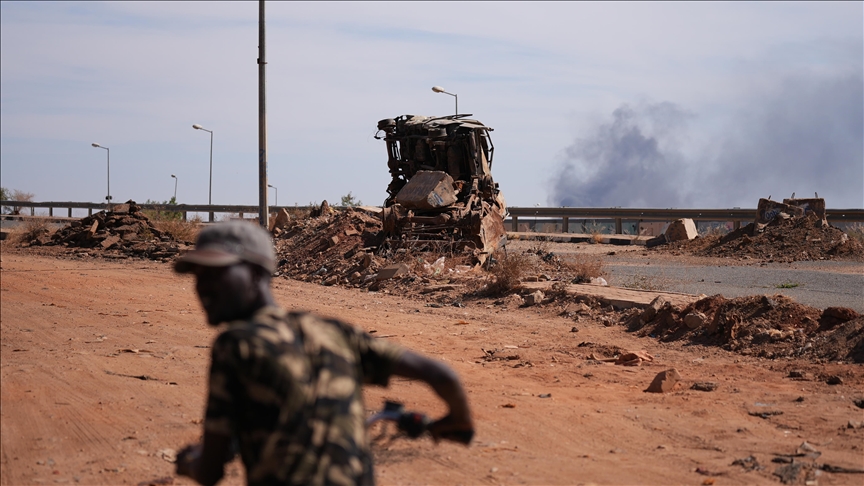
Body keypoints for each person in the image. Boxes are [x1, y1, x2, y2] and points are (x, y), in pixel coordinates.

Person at [173, 220, 473, 486]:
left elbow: (210, 471)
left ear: (254, 273)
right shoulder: (333, 332)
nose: (203, 287)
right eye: (198, 276)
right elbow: (442, 375)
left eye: (215, 274)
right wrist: (457, 422)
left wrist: (188, 463)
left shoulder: (236, 345)